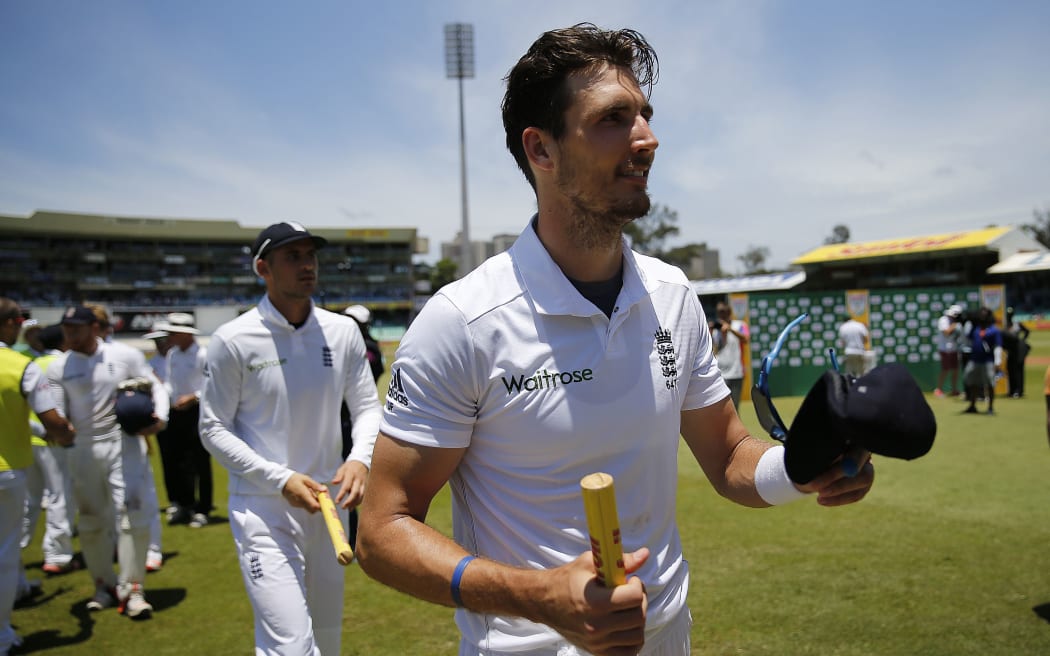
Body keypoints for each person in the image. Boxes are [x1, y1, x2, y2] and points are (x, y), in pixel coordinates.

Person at [356, 24, 875, 656]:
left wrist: (801, 469)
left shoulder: (672, 292)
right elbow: (382, 529)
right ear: (540, 150)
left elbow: (730, 455)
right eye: (612, 118)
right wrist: (536, 595)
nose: (648, 139)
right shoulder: (463, 321)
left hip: (665, 638)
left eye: (646, 116)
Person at [199, 221, 383, 655]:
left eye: (310, 256)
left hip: (327, 507)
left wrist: (360, 458)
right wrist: (279, 478)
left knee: (327, 642)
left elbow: (366, 408)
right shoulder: (233, 339)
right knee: (292, 646)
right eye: (293, 257)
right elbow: (213, 428)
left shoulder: (342, 331)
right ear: (263, 268)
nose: (307, 266)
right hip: (264, 508)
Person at [47, 305, 169, 619]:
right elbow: (58, 412)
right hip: (82, 447)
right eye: (66, 328)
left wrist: (160, 418)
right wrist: (58, 430)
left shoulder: (123, 356)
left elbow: (154, 386)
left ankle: (134, 589)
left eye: (76, 328)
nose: (70, 335)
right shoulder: (59, 367)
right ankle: (103, 585)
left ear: (93, 328)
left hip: (122, 443)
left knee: (132, 515)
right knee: (90, 520)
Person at [1, 298, 74, 655]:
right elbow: (54, 421)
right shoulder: (20, 365)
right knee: (4, 551)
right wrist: (65, 435)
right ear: (13, 323)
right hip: (7, 469)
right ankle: (1, 635)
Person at [21, 324, 79, 576]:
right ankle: (57, 555)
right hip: (55, 441)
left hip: (30, 440)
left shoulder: (31, 364)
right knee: (59, 497)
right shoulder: (64, 365)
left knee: (30, 501)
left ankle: (14, 549)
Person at [156, 313, 211, 528]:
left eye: (172, 332)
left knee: (200, 462)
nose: (169, 337)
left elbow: (210, 384)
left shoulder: (203, 355)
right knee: (178, 460)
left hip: (197, 411)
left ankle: (203, 508)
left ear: (184, 334)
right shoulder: (173, 355)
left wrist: (193, 397)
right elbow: (170, 382)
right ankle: (185, 504)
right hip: (176, 411)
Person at [962, 307, 1002, 415]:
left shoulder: (994, 330)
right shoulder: (976, 329)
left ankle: (990, 407)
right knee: (972, 382)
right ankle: (972, 405)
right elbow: (968, 338)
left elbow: (998, 347)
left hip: (988, 361)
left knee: (989, 384)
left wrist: (998, 362)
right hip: (975, 360)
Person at [710, 301, 749, 408]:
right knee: (722, 407)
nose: (721, 315)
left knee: (735, 407)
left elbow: (746, 338)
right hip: (719, 373)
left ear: (729, 312)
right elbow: (712, 350)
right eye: (719, 312)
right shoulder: (715, 330)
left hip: (736, 371)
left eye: (723, 312)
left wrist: (730, 329)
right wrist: (710, 331)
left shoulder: (740, 325)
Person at [934, 305, 964, 397]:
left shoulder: (956, 322)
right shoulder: (943, 320)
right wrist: (955, 325)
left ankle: (954, 389)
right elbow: (946, 332)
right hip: (944, 349)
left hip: (954, 349)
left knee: (955, 370)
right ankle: (938, 389)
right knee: (945, 369)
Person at [1002, 307, 1031, 398]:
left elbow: (1027, 331)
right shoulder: (1006, 326)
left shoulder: (1016, 325)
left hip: (1018, 351)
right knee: (1010, 370)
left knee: (1018, 371)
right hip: (1011, 351)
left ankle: (1019, 390)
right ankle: (1011, 390)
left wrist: (1022, 340)